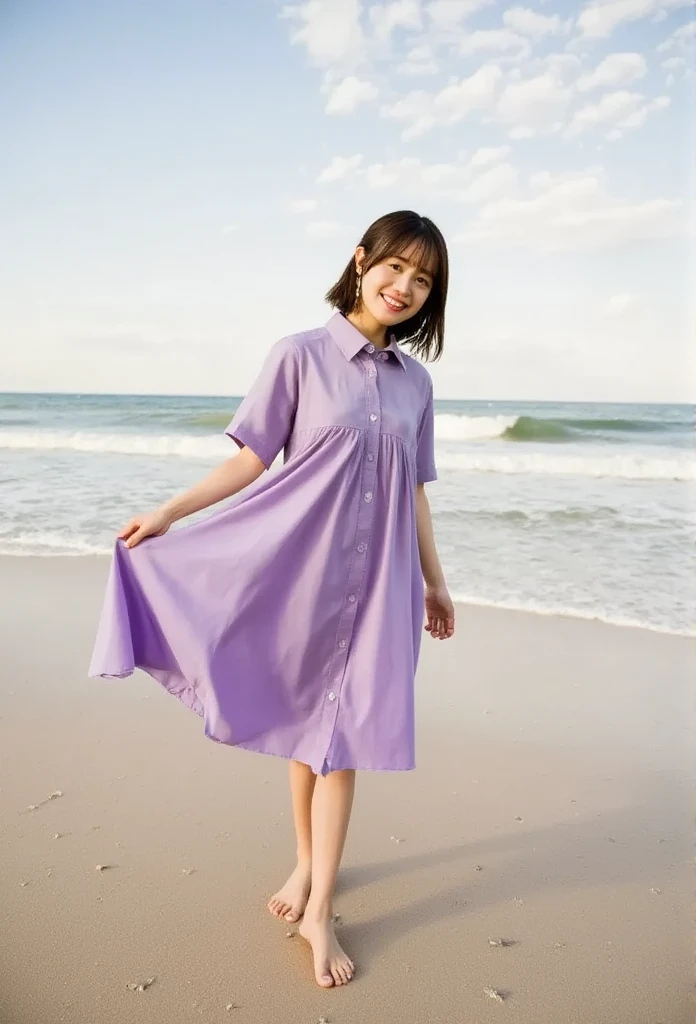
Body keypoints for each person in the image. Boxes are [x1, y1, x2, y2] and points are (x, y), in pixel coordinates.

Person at [88, 209, 456, 989]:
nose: (406, 287)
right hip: (303, 574)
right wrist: (169, 513)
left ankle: (320, 905)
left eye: (423, 279)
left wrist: (434, 578)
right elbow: (252, 460)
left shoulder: (417, 384)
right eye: (396, 267)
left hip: (382, 584)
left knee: (344, 739)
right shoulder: (299, 356)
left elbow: (415, 493)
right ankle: (304, 866)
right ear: (361, 261)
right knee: (304, 724)